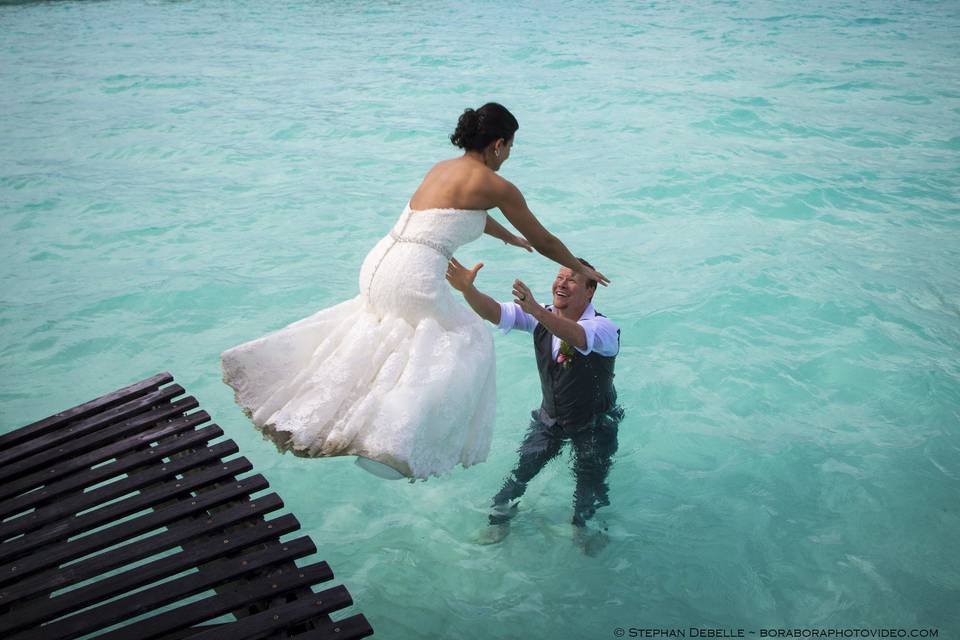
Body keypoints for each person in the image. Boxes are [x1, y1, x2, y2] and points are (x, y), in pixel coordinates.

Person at [220, 103, 609, 480]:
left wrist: (507, 237)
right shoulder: (496, 184)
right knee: (469, 339)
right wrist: (579, 267)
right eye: (509, 148)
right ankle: (391, 441)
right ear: (498, 145)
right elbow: (544, 239)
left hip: (378, 265)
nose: (508, 157)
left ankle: (329, 416)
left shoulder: (443, 169)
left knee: (385, 338)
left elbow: (458, 213)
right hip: (413, 274)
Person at [445, 256, 623, 553]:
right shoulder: (541, 315)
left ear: (590, 291)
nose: (561, 283)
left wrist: (537, 311)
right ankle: (498, 521)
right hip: (550, 419)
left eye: (572, 280)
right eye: (559, 276)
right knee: (520, 473)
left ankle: (582, 528)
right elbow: (496, 312)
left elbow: (578, 337)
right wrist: (467, 290)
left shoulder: (604, 328)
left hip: (594, 424)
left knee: (589, 488)